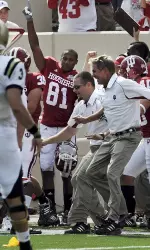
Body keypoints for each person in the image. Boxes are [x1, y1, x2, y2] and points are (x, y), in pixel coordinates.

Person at [72, 55, 150, 235]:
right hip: (111, 136)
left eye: (96, 72)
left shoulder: (124, 84)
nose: (94, 76)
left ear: (106, 71)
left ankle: (114, 217)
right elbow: (106, 108)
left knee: (112, 173)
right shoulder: (104, 88)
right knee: (91, 172)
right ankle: (121, 212)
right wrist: (87, 119)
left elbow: (147, 95)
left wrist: (142, 109)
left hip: (129, 136)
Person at [23, 2, 78, 226]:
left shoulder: (77, 78)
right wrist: (29, 21)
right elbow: (35, 46)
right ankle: (50, 211)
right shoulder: (50, 67)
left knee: (66, 170)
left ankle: (68, 209)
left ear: (75, 61)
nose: (66, 61)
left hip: (65, 128)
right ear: (61, 57)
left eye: (70, 59)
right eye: (64, 57)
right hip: (46, 125)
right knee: (45, 168)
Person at [42, 71, 109, 234]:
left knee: (80, 178)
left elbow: (117, 123)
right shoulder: (81, 105)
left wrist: (104, 136)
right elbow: (70, 131)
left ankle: (106, 217)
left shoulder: (102, 99)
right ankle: (83, 221)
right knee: (79, 179)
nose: (75, 91)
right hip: (96, 147)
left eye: (77, 87)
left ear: (89, 84)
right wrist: (45, 141)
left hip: (109, 145)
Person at [0, 20, 42, 250]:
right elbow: (17, 106)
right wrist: (34, 131)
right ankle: (25, 243)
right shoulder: (10, 65)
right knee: (14, 192)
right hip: (5, 132)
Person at [121, 55, 150, 229]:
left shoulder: (145, 81)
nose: (123, 75)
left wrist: (139, 109)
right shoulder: (131, 85)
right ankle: (129, 215)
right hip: (145, 138)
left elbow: (145, 101)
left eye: (125, 71)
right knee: (127, 172)